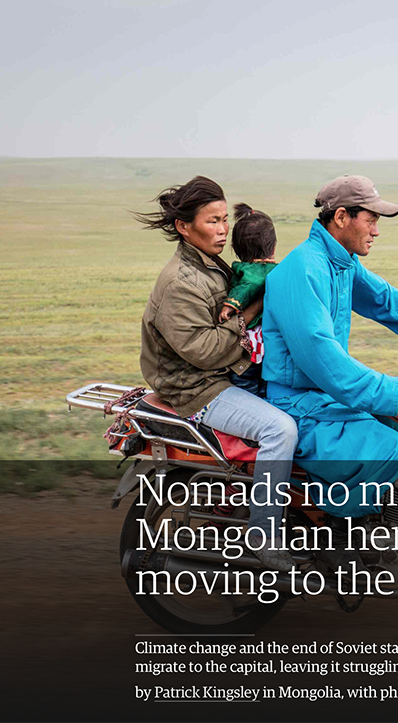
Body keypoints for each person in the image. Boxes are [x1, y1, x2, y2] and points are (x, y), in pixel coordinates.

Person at [261, 175, 398, 518]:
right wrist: (390, 389)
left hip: (322, 396)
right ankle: (340, 542)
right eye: (370, 221)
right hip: (298, 403)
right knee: (388, 446)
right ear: (341, 218)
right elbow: (320, 354)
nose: (376, 231)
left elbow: (387, 302)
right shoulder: (304, 269)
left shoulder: (342, 263)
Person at [135, 177, 299, 571]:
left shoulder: (209, 264)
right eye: (212, 221)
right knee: (281, 429)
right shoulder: (181, 282)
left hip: (224, 375)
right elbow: (205, 352)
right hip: (197, 388)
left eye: (225, 219)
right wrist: (251, 309)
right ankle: (264, 538)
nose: (223, 229)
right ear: (183, 227)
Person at [218, 202, 278, 398]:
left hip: (249, 346)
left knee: (246, 385)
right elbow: (250, 287)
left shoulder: (249, 271)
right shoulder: (269, 271)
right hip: (263, 344)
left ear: (235, 247)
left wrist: (230, 304)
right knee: (262, 387)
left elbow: (247, 286)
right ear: (274, 246)